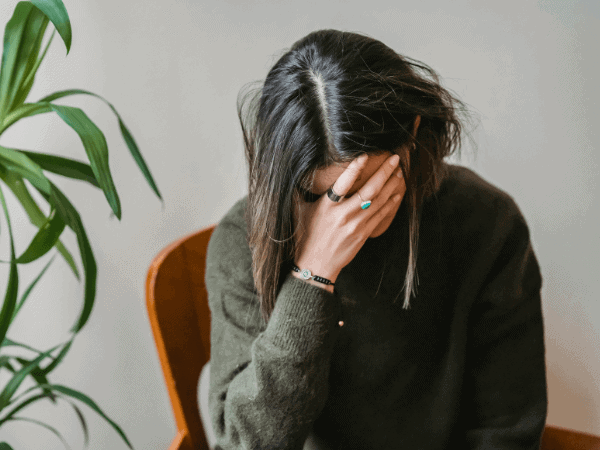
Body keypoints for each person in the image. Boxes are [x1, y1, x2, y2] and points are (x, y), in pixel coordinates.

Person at [198, 29, 547, 450]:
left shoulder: (486, 223)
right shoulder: (243, 241)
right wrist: (312, 278)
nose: (346, 214)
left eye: (366, 187)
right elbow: (242, 445)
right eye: (318, 194)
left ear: (413, 135)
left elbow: (506, 428)